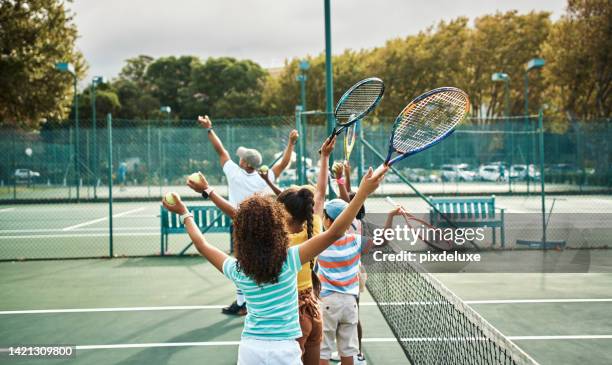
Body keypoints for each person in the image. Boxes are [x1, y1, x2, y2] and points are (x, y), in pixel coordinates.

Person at [162, 165, 387, 365]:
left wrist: (184, 212)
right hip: (285, 350)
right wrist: (363, 193)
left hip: (250, 349)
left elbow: (201, 245)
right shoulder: (290, 259)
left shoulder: (238, 269)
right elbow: (336, 232)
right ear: (277, 226)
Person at [188, 137, 337, 365]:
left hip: (292, 317)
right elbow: (320, 194)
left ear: (280, 216)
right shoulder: (312, 228)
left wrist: (207, 191)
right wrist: (324, 158)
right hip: (313, 308)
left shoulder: (282, 245)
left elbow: (237, 216)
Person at [197, 114, 298, 316]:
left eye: (241, 157)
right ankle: (250, 300)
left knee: (241, 261)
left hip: (241, 222)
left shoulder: (234, 172)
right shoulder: (267, 176)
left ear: (244, 163)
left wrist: (209, 129)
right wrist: (291, 142)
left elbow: (220, 150)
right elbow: (285, 162)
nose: (239, 158)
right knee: (265, 259)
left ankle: (243, 302)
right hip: (265, 224)